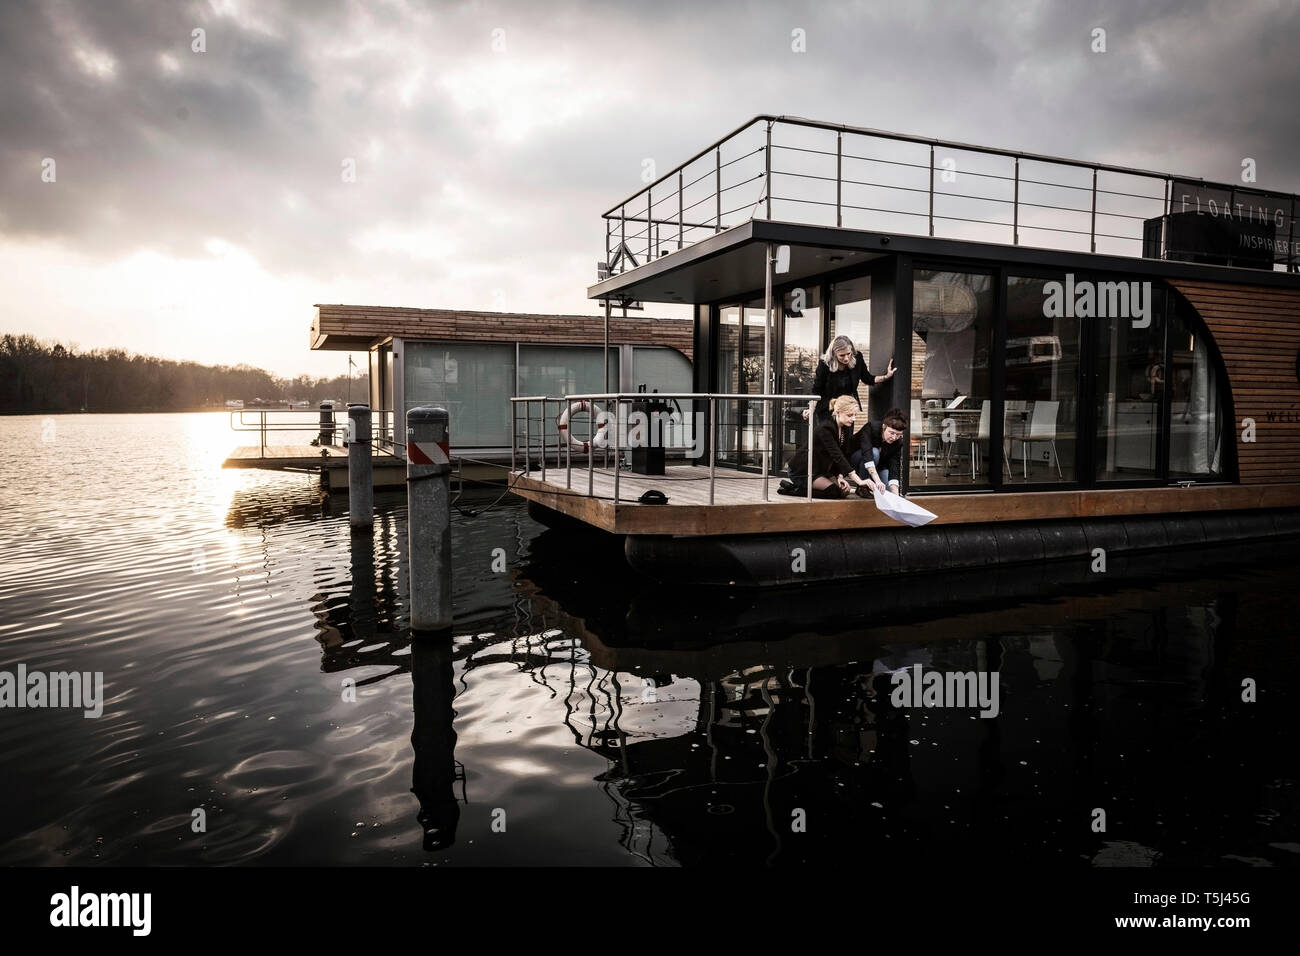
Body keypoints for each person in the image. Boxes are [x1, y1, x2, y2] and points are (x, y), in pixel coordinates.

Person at [780, 395, 872, 499]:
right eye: (850, 415)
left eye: (855, 415)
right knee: (833, 492)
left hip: (821, 470)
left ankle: (799, 488)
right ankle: (793, 489)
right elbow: (837, 455)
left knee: (844, 492)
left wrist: (839, 476)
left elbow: (843, 454)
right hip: (803, 470)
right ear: (838, 412)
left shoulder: (845, 428)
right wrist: (859, 481)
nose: (853, 419)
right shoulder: (825, 428)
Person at [802, 335, 896, 426]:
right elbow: (817, 390)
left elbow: (867, 378)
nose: (846, 358)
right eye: (842, 355)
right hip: (827, 408)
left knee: (846, 440)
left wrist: (886, 377)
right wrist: (811, 409)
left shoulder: (857, 358)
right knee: (828, 438)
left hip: (848, 409)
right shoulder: (824, 365)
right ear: (834, 354)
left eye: (848, 354)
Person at [851, 407, 907, 495]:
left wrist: (895, 492)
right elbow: (867, 453)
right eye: (891, 433)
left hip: (878, 467)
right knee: (874, 452)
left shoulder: (898, 442)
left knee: (888, 492)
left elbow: (894, 466)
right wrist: (877, 480)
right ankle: (862, 488)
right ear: (884, 426)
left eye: (898, 434)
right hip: (856, 461)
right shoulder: (871, 427)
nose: (894, 438)